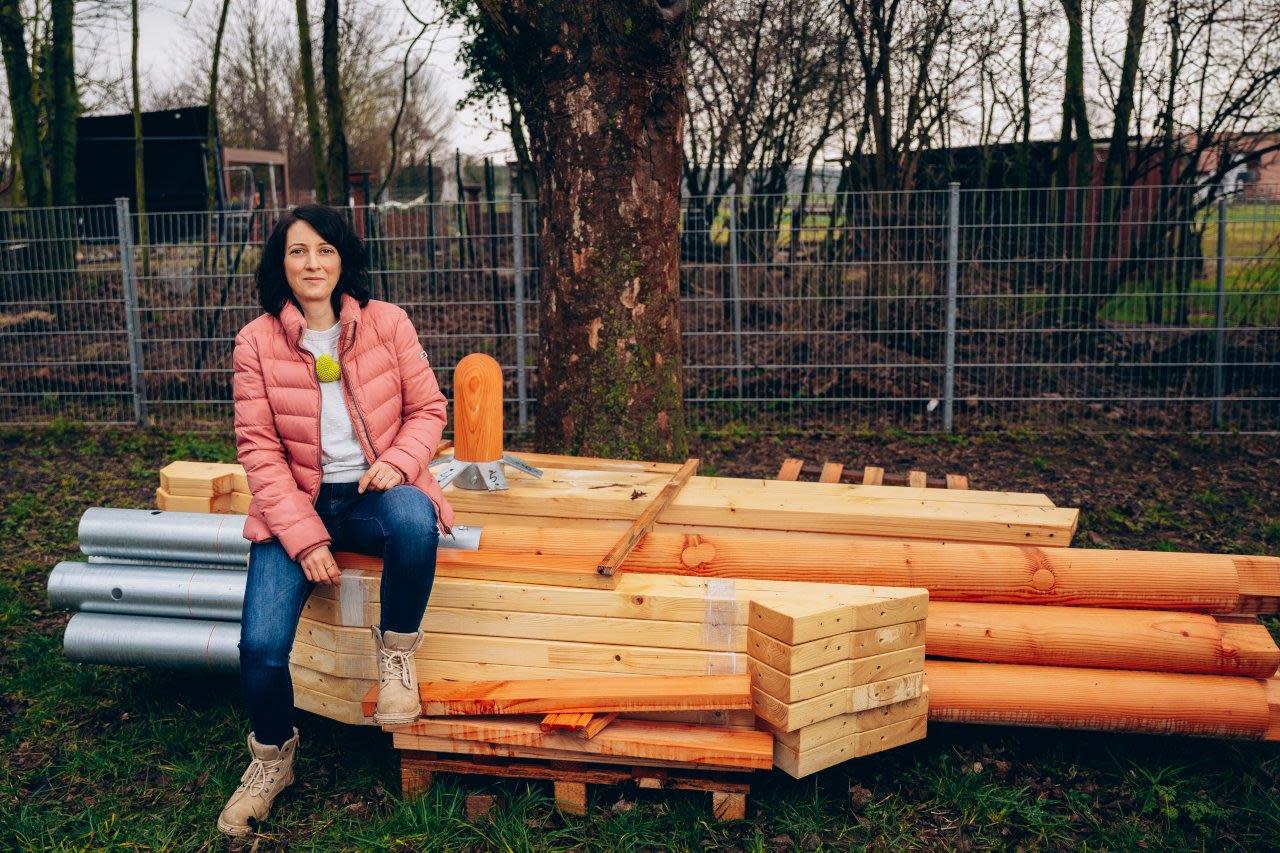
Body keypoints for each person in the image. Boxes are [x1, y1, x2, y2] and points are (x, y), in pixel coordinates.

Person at [218, 204, 454, 836]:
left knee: (413, 518)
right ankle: (272, 759)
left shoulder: (386, 324)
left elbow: (429, 408)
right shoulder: (255, 343)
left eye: (324, 249)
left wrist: (400, 464)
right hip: (292, 506)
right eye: (298, 252)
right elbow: (259, 452)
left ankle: (397, 658)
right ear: (281, 266)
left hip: (376, 491)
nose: (312, 262)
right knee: (261, 649)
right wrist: (304, 537)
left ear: (343, 257)